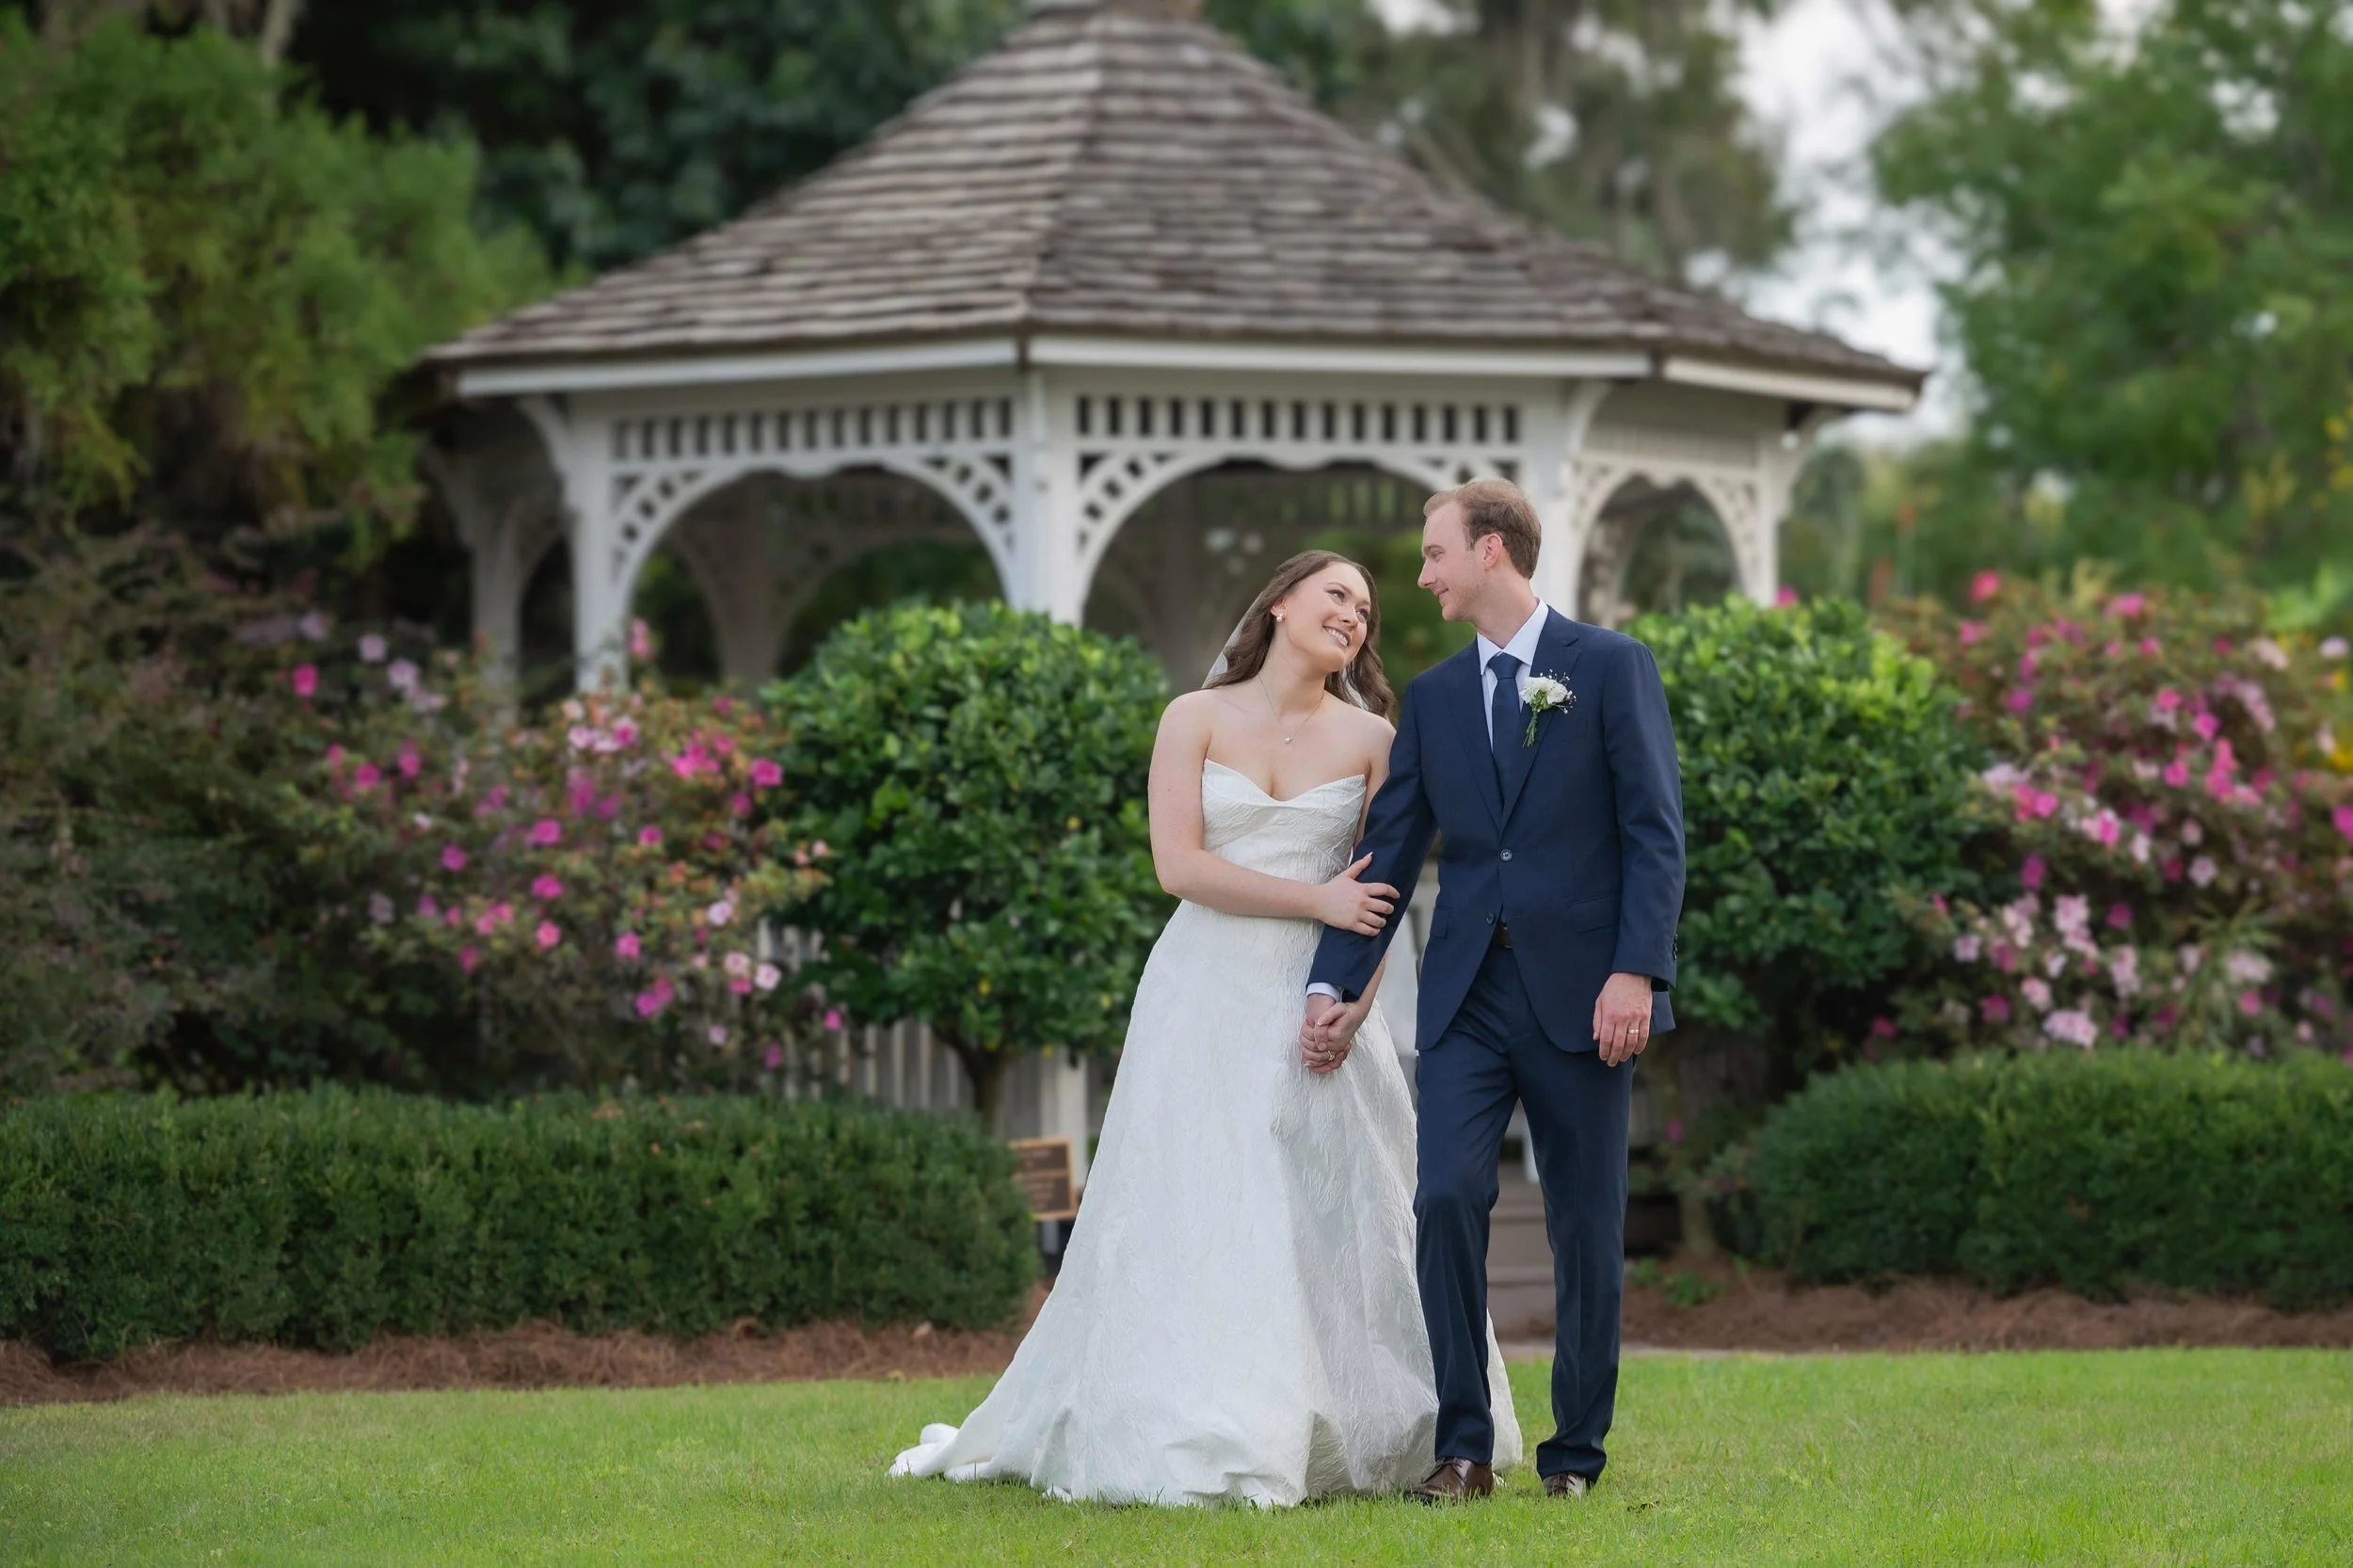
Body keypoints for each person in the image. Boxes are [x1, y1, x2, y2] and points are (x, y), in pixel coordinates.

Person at [888, 549, 1521, 1506]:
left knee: (1324, 1200)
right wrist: (1312, 895)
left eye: (1366, 607)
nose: (1353, 613)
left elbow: (1376, 896)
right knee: (1201, 1196)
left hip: (1314, 998)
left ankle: (1351, 1416)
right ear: (1278, 603)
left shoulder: (1372, 738)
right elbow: (1178, 866)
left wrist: (1350, 1005)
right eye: (1334, 593)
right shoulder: (1191, 718)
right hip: (1203, 986)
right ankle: (1203, 1415)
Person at [1303, 477, 1685, 1504]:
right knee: (1445, 1198)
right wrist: (1330, 985)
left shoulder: (1609, 668)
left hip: (1585, 998)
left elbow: (1654, 832)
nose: (1420, 576)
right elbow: (1389, 854)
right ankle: (1464, 1447)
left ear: (1489, 552)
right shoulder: (1427, 699)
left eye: (1432, 554)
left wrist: (1635, 969)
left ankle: (1574, 1457)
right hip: (1467, 999)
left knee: (1584, 1227)